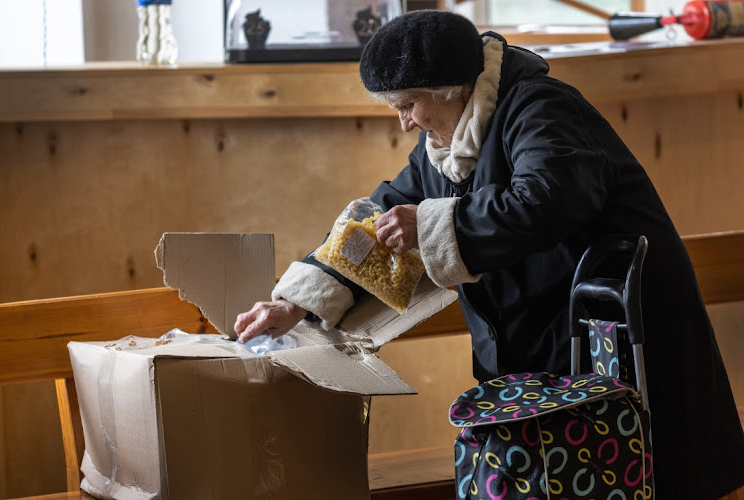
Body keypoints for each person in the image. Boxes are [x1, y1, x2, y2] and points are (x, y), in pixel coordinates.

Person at [234, 10, 744, 500]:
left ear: (451, 89)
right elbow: (373, 226)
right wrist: (296, 303)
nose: (406, 124)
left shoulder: (542, 108)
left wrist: (435, 223)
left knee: (648, 480)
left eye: (408, 105)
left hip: (619, 345)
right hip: (549, 357)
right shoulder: (444, 148)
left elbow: (549, 198)